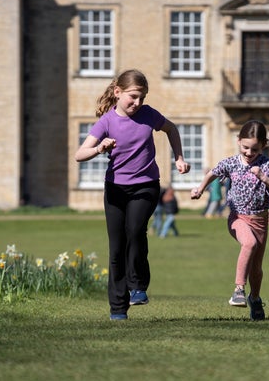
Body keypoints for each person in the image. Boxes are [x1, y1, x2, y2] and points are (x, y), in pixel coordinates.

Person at [75, 69, 190, 320]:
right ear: (118, 92)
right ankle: (118, 308)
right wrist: (98, 148)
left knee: (135, 230)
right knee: (116, 247)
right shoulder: (106, 121)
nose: (137, 103)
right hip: (115, 188)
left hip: (146, 185)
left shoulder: (148, 115)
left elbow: (171, 129)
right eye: (133, 97)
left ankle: (138, 286)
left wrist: (179, 157)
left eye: (142, 98)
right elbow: (79, 154)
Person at [190, 120, 269, 321]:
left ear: (263, 146)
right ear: (238, 141)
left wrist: (264, 178)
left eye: (255, 149)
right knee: (248, 243)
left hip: (260, 221)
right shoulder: (231, 162)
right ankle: (239, 290)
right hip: (237, 217)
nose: (249, 153)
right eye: (245, 148)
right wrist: (200, 189)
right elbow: (213, 173)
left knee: (256, 269)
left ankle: (255, 299)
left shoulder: (267, 165)